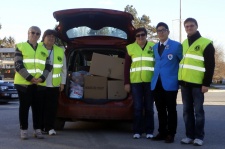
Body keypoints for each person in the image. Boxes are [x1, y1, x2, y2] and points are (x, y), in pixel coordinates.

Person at [179, 18, 215, 146]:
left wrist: (206, 83)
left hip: (198, 85)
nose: (189, 28)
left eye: (191, 26)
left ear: (196, 26)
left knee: (198, 111)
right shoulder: (183, 44)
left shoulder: (206, 43)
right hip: (184, 84)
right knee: (187, 111)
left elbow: (210, 65)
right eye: (186, 26)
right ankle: (189, 135)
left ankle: (199, 137)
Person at [14, 26, 52, 140]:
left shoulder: (44, 50)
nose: (35, 35)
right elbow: (18, 65)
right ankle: (24, 130)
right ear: (28, 33)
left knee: (38, 108)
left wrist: (42, 78)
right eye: (33, 33)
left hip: (39, 84)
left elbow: (48, 66)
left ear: (40, 36)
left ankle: (37, 130)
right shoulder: (20, 47)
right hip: (23, 84)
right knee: (24, 108)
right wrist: (30, 78)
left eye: (37, 34)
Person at [151, 22, 182, 143]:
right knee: (160, 110)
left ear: (168, 32)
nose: (161, 32)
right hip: (156, 83)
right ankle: (162, 132)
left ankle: (171, 133)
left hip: (170, 83)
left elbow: (182, 63)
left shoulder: (176, 46)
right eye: (158, 31)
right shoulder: (154, 47)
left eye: (163, 30)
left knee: (171, 109)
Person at [124, 27, 155, 139]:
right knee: (137, 107)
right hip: (135, 82)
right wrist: (126, 83)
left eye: (142, 35)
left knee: (149, 108)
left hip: (150, 82)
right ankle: (137, 131)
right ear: (135, 37)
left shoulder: (153, 46)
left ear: (146, 35)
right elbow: (126, 67)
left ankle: (149, 131)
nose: (140, 37)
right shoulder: (130, 48)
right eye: (138, 35)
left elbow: (158, 64)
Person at [39, 29, 67, 136]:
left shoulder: (60, 51)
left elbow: (64, 69)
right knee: (39, 107)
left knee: (51, 108)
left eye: (53, 37)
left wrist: (62, 83)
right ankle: (40, 127)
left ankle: (50, 127)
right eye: (49, 36)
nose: (51, 38)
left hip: (54, 85)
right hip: (40, 83)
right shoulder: (37, 49)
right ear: (44, 37)